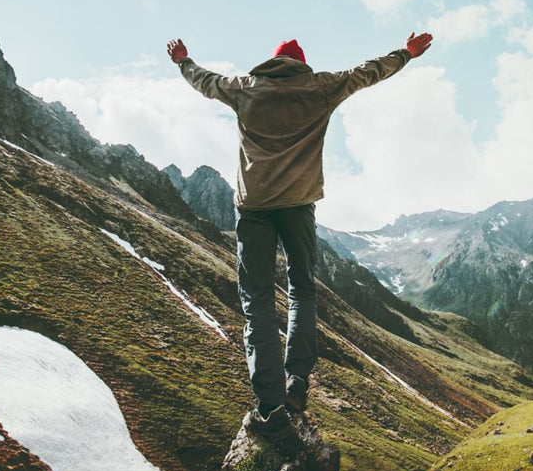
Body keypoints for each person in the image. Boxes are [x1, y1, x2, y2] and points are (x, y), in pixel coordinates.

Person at [167, 32, 433, 445]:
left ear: (271, 63)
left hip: (253, 210)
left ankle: (270, 408)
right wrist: (406, 54)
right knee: (302, 290)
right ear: (300, 65)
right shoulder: (320, 88)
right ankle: (297, 382)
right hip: (298, 206)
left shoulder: (245, 89)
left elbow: (204, 80)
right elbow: (368, 73)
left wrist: (183, 60)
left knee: (256, 301)